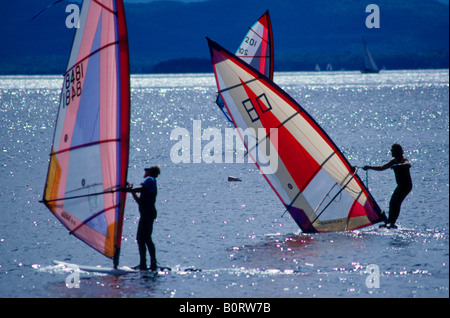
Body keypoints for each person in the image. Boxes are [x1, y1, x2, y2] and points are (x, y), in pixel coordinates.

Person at [363, 144, 412, 229]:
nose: (391, 152)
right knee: (392, 202)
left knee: (397, 203)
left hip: (406, 186)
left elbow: (408, 164)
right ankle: (389, 221)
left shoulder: (403, 160)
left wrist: (398, 165)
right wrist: (369, 167)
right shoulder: (393, 161)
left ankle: (392, 223)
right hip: (400, 186)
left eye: (393, 150)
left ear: (398, 151)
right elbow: (382, 167)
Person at [129, 165, 161, 270]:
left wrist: (128, 190)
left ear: (150, 172)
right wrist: (131, 192)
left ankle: (150, 264)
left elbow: (141, 188)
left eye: (146, 170)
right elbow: (140, 201)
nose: (144, 172)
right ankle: (145, 264)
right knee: (143, 239)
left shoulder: (150, 179)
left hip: (148, 214)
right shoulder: (150, 181)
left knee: (145, 238)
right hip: (147, 213)